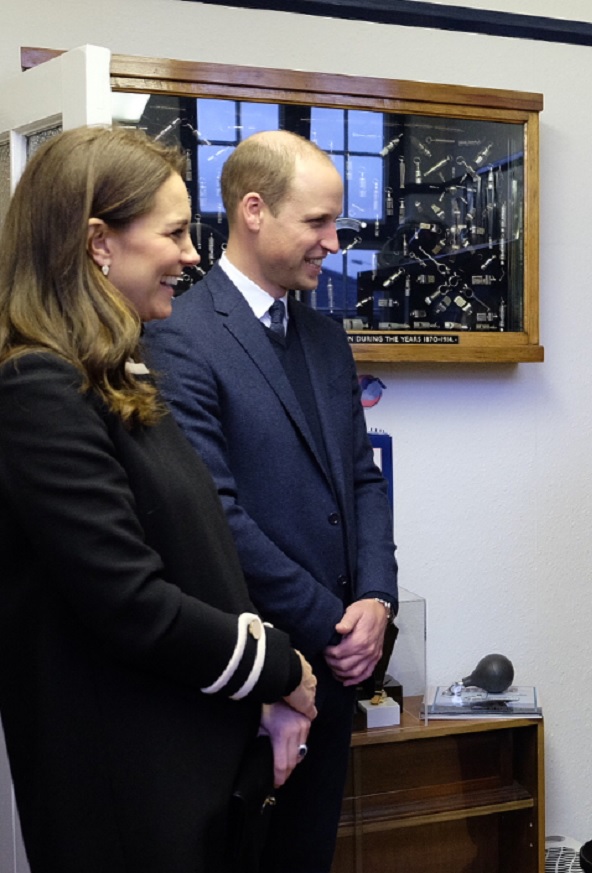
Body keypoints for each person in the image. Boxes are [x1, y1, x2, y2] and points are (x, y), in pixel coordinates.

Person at [0, 125, 318, 873]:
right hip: (126, 795)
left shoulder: (113, 377)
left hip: (189, 771)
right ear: (98, 243)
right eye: (174, 232)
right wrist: (280, 668)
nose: (192, 255)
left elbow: (197, 560)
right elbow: (131, 602)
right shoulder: (35, 389)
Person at [144, 129, 398, 873]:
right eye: (318, 222)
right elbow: (214, 515)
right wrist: (331, 623)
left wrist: (376, 598)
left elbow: (362, 478)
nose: (335, 240)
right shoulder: (180, 339)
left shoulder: (325, 337)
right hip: (251, 679)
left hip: (340, 669)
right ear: (253, 211)